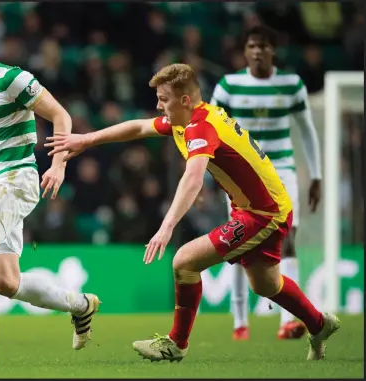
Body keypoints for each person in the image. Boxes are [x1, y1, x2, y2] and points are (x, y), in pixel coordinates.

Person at [46, 63, 339, 362]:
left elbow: (193, 177)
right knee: (266, 284)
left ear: (185, 100)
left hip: (265, 213)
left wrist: (167, 225)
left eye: (164, 99)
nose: (158, 105)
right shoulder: (186, 120)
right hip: (259, 207)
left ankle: (176, 344)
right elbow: (139, 126)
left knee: (184, 262)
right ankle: (319, 323)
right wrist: (87, 139)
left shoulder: (202, 126)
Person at [0, 13, 100, 365]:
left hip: (16, 178)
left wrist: (58, 164)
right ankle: (81, 305)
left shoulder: (13, 79)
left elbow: (61, 116)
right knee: (6, 282)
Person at [210, 26, 322, 341]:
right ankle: (240, 323)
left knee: (288, 238)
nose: (257, 51)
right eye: (252, 46)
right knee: (238, 242)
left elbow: (307, 130)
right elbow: (210, 128)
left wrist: (316, 175)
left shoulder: (291, 84)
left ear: (273, 50)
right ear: (245, 51)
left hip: (282, 170)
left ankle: (289, 321)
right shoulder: (229, 85)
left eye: (263, 46)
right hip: (244, 174)